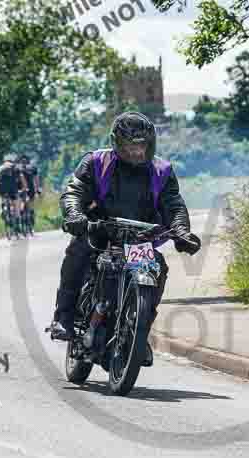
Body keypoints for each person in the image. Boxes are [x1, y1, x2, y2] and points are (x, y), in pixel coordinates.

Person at [48, 112, 201, 366]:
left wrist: (182, 232)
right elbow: (74, 191)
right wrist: (75, 215)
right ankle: (63, 317)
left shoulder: (162, 171)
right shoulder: (96, 161)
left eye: (142, 145)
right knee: (78, 252)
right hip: (100, 231)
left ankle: (139, 334)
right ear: (117, 143)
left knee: (157, 268)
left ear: (150, 144)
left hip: (139, 239)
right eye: (131, 146)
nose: (137, 152)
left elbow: (173, 204)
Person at [0, 155, 24, 234]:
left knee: (3, 200)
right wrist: (24, 188)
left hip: (2, 189)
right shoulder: (15, 168)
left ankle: (2, 210)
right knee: (16, 204)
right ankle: (17, 222)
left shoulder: (0, 168)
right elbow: (21, 178)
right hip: (12, 189)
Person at [17, 154, 42, 232]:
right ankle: (31, 217)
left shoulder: (17, 169)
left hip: (20, 188)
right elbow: (36, 179)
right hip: (31, 188)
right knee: (31, 205)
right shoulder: (33, 168)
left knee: (21, 203)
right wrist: (38, 189)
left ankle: (21, 214)